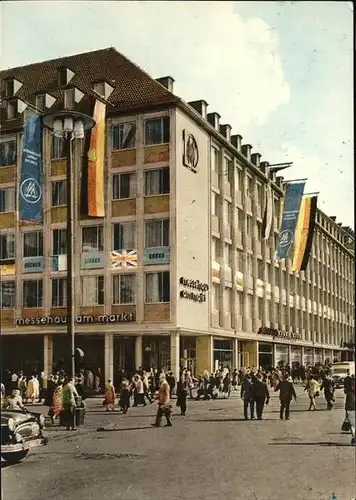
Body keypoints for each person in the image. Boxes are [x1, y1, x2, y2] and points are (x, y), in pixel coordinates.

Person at [344, 375, 355, 445]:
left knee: (352, 424)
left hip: (350, 409)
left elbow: (347, 404)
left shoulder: (349, 394)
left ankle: (353, 436)